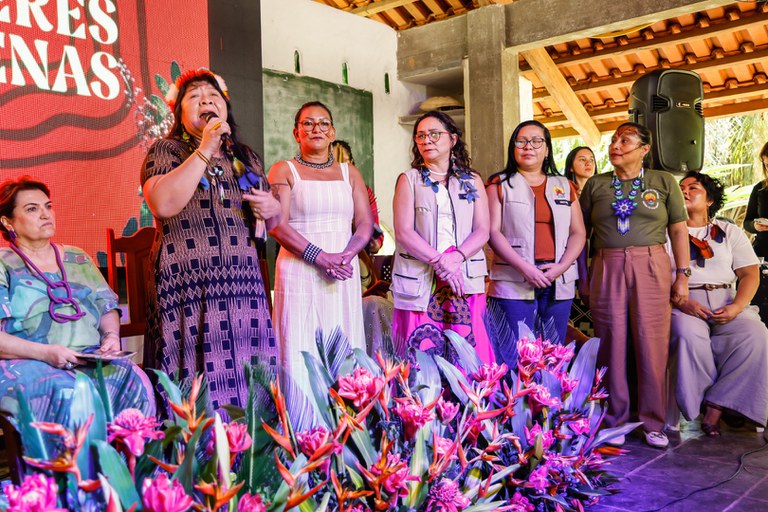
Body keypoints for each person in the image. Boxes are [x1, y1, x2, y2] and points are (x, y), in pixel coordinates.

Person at [141, 68, 281, 413]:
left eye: (213, 95)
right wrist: (205, 147)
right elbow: (163, 203)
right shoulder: (165, 150)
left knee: (250, 368)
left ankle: (251, 448)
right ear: (179, 112)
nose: (206, 100)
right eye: (194, 97)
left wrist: (272, 206)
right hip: (188, 283)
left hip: (242, 282)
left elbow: (271, 223)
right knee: (193, 370)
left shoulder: (245, 157)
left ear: (226, 108)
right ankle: (195, 452)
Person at [0, 177, 154, 425]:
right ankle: (71, 465)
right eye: (32, 209)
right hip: (29, 362)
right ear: (7, 221)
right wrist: (46, 353)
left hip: (89, 357)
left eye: (48, 206)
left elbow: (106, 306)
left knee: (136, 380)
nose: (45, 214)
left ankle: (126, 463)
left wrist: (111, 337)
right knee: (68, 394)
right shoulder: (3, 262)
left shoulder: (77, 257)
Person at [579, 122, 690, 449]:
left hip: (652, 264)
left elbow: (679, 231)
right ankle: (614, 419)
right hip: (607, 264)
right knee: (610, 341)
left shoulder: (663, 181)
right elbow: (580, 235)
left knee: (651, 341)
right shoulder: (596, 185)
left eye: (624, 140)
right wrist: (583, 277)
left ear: (644, 149)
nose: (616, 145)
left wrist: (682, 274)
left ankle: (653, 422)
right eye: (613, 140)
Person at [268, 102, 372, 394]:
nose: (316, 129)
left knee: (343, 339)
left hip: (342, 270)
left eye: (323, 123)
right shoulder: (283, 170)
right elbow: (276, 224)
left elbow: (364, 222)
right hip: (299, 270)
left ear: (333, 132)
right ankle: (303, 425)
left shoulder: (349, 172)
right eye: (308, 123)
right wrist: (320, 257)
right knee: (300, 342)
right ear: (296, 132)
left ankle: (347, 420)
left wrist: (347, 255)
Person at [391, 110, 492, 365]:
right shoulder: (409, 179)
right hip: (423, 277)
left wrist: (456, 258)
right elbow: (403, 231)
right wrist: (440, 262)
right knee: (421, 350)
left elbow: (482, 229)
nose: (427, 140)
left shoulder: (472, 180)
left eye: (435, 134)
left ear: (453, 139)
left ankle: (467, 403)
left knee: (467, 350)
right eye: (421, 136)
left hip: (462, 275)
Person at [671, 172, 768, 436]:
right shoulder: (666, 233)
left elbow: (749, 273)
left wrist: (737, 307)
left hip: (726, 300)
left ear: (710, 199)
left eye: (693, 187)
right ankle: (698, 404)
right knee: (687, 335)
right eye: (681, 188)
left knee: (755, 334)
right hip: (684, 303)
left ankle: (715, 407)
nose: (686, 191)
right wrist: (683, 303)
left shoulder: (729, 231)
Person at [486, 120, 586, 351]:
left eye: (536, 141)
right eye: (521, 141)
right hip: (513, 279)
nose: (528, 146)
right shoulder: (498, 184)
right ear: (513, 148)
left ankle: (548, 390)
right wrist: (525, 268)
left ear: (547, 149)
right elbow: (492, 232)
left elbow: (578, 232)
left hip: (557, 279)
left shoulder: (564, 185)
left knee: (552, 352)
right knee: (513, 353)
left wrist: (561, 267)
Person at [744, 141, 768, 259]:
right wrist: (755, 226)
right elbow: (747, 223)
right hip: (762, 252)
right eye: (767, 165)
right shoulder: (759, 189)